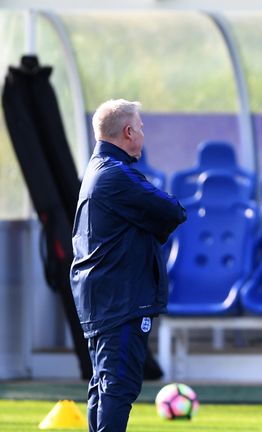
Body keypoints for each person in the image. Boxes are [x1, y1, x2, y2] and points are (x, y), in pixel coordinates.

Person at [70, 99, 187, 431]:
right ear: (128, 131)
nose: (143, 133)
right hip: (120, 298)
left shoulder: (97, 169)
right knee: (118, 385)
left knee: (104, 384)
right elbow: (172, 210)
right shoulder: (115, 174)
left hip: (103, 295)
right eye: (142, 127)